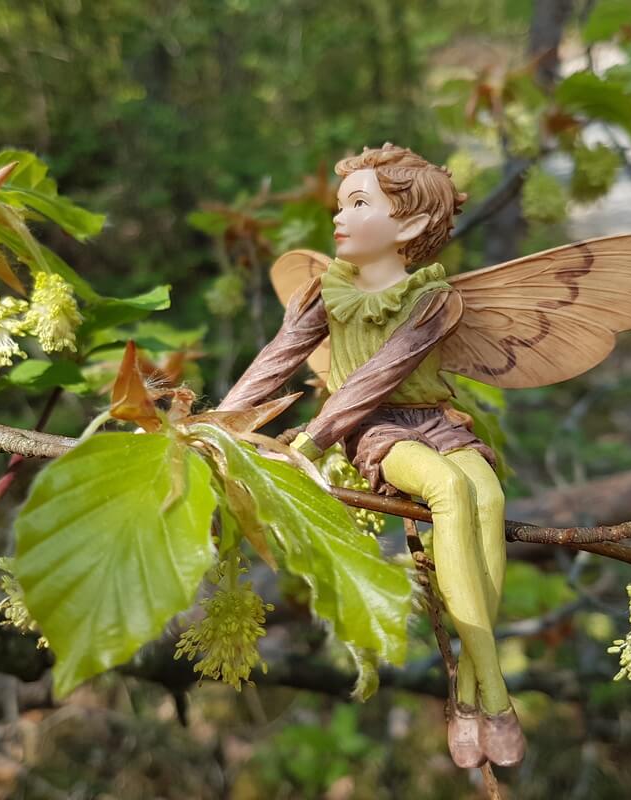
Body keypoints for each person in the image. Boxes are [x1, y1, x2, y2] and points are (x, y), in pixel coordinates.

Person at [214, 143, 523, 768]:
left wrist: (307, 441)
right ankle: (492, 692)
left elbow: (382, 372)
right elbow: (279, 363)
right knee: (448, 489)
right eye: (340, 204)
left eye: (359, 204)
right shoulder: (323, 292)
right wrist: (216, 424)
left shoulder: (433, 300)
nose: (339, 217)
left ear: (407, 226)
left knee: (487, 493)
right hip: (371, 430)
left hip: (434, 419)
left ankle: (466, 690)